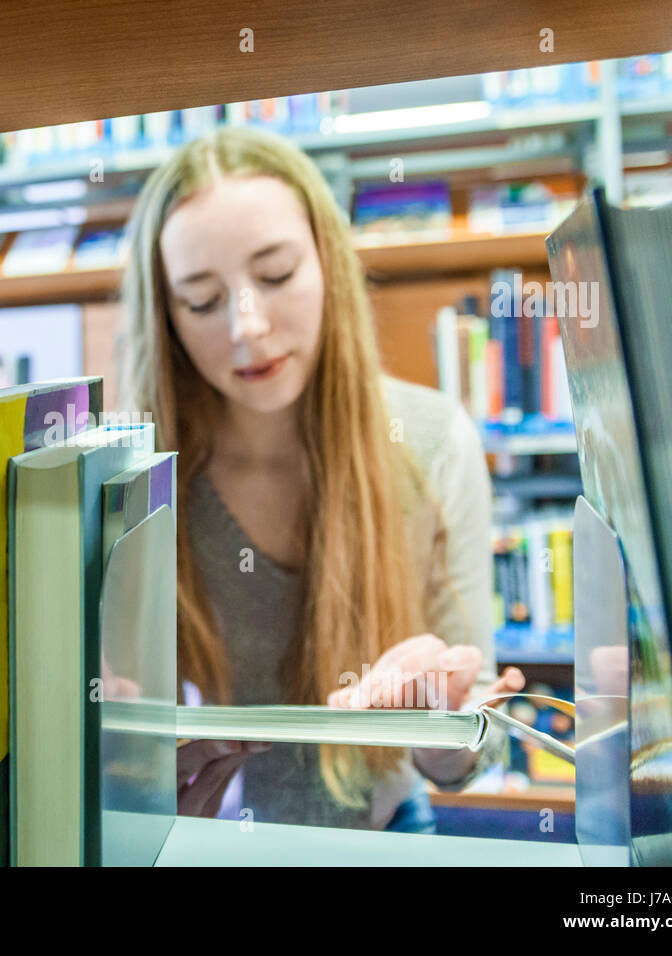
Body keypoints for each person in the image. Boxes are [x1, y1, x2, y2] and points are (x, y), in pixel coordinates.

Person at [117, 125, 526, 833]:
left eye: (275, 276)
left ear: (330, 263)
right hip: (198, 843)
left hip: (388, 832)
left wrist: (441, 719)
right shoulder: (135, 474)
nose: (248, 327)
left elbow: (473, 761)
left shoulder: (432, 444)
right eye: (202, 300)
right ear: (166, 316)